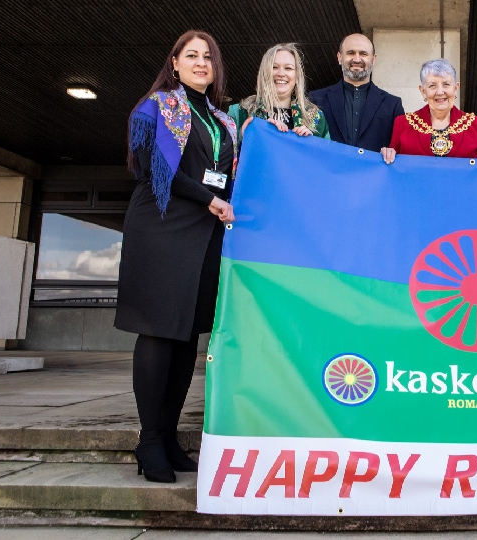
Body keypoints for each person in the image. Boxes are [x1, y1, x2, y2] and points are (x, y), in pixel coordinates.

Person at [117, 30, 237, 483]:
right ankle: (148, 440)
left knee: (188, 337)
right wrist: (209, 199)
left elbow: (225, 178)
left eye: (209, 56)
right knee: (158, 332)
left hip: (205, 234)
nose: (201, 62)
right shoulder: (157, 107)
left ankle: (168, 436)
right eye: (192, 55)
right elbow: (157, 169)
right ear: (175, 63)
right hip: (162, 227)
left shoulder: (223, 121)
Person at [381, 59, 477, 168]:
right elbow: (392, 169)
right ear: (423, 91)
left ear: (456, 88)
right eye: (432, 86)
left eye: (446, 84)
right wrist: (388, 154)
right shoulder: (403, 124)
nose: (440, 92)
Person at [309, 33, 404, 151]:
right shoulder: (315, 99)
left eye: (363, 54)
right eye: (350, 53)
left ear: (373, 59)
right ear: (339, 57)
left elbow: (402, 148)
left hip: (373, 169)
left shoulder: (393, 104)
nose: (357, 59)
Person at [229, 43, 329, 148]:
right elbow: (221, 156)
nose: (281, 73)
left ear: (297, 76)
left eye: (288, 68)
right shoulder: (239, 112)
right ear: (264, 73)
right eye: (274, 67)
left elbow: (328, 159)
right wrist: (242, 136)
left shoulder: (316, 118)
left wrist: (312, 145)